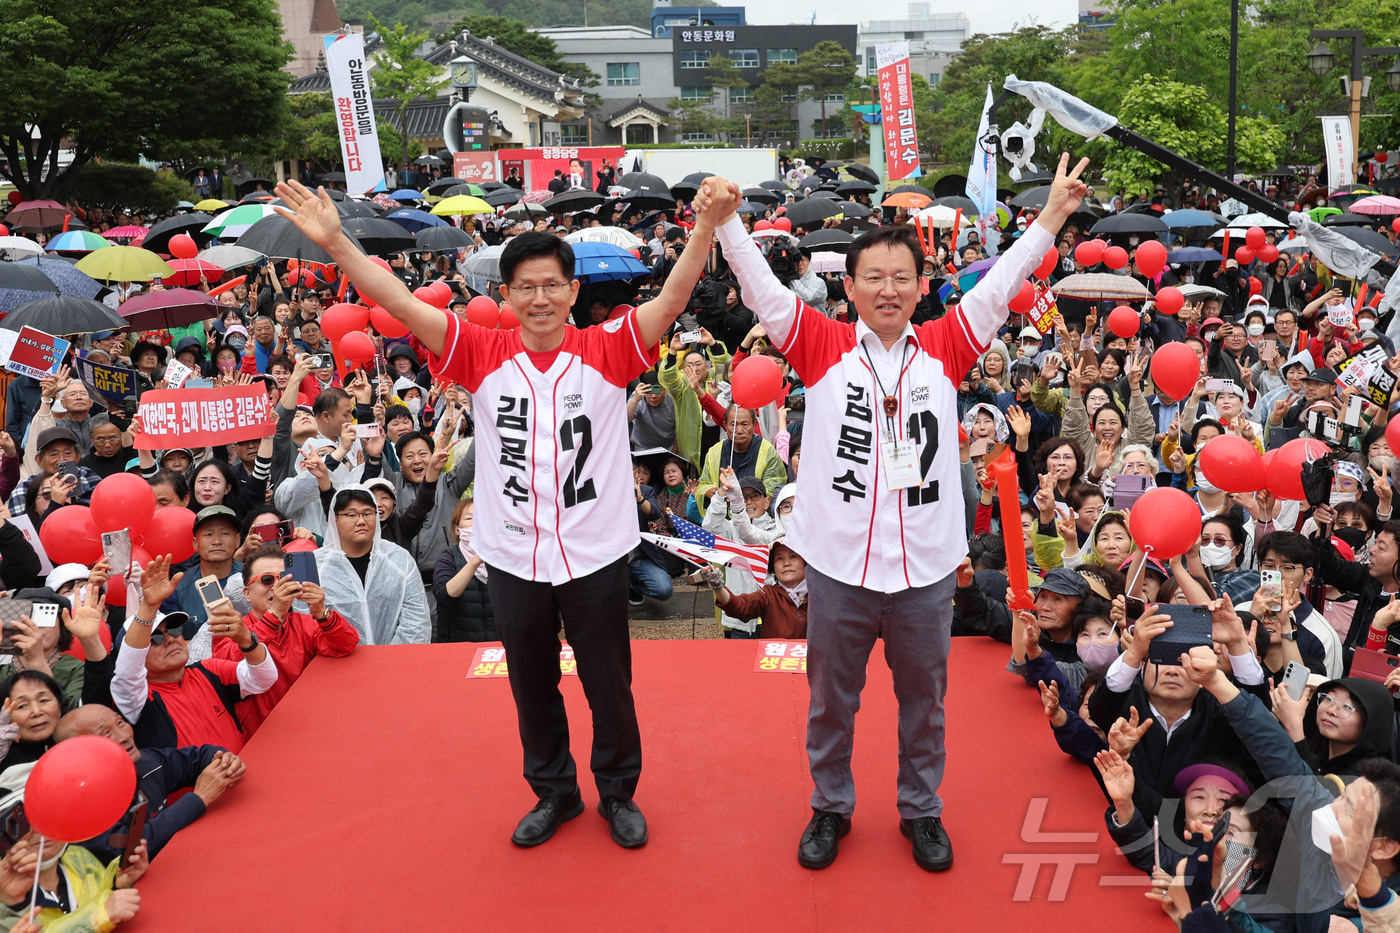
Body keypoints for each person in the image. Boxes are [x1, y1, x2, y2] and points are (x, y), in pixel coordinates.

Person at [273, 171, 724, 851]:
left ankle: (619, 791)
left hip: (597, 552)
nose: (539, 297)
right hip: (512, 554)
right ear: (505, 295)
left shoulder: (609, 349)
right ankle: (555, 791)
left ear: (573, 292)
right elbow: (393, 296)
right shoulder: (482, 352)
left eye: (553, 285)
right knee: (532, 684)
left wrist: (707, 228)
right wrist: (336, 241)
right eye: (525, 286)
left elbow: (674, 296)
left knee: (609, 684)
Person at [700, 154, 1090, 872]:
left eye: (900, 277)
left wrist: (1055, 216)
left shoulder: (947, 344)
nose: (887, 289)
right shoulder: (819, 345)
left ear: (921, 287)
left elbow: (1003, 286)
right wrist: (727, 227)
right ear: (848, 286)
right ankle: (831, 805)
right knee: (830, 703)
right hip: (840, 567)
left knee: (925, 703)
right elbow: (760, 292)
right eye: (872, 277)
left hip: (925, 573)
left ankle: (921, 809)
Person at [111, 556, 278, 752]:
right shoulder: (135, 697)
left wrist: (245, 640)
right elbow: (127, 669)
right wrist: (149, 606)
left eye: (174, 629)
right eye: (154, 637)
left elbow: (264, 678)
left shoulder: (208, 670)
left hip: (245, 775)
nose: (171, 639)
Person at [55, 704, 247, 862]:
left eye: (120, 723)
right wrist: (199, 798)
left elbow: (196, 757)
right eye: (106, 734)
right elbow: (128, 848)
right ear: (79, 753)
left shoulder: (144, 761)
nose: (124, 735)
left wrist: (224, 761)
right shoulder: (79, 806)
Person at [212, 543, 358, 735]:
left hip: (308, 728)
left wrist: (322, 612)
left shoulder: (305, 623)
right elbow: (227, 665)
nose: (277, 586)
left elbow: (346, 645)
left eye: (283, 579)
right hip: (258, 737)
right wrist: (274, 616)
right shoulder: (233, 627)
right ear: (247, 594)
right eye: (267, 580)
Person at [318, 485, 430, 645]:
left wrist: (389, 661)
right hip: (338, 661)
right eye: (351, 515)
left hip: (393, 663)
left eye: (368, 513)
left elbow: (416, 620)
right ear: (335, 519)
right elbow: (307, 621)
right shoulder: (319, 566)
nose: (361, 521)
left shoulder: (399, 559)